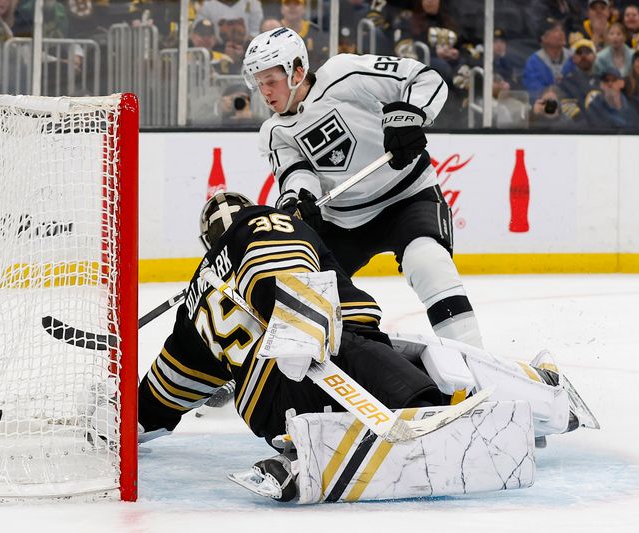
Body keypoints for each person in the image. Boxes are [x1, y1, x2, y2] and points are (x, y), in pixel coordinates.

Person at [241, 27, 485, 349]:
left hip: (407, 195)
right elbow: (296, 174)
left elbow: (425, 78)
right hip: (343, 221)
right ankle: (266, 370)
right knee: (300, 290)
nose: (266, 93)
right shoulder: (273, 132)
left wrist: (411, 117)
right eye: (259, 84)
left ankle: (473, 358)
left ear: (297, 71)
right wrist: (298, 200)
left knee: (427, 261)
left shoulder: (344, 74)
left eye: (271, 81)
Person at [136, 192, 442, 446]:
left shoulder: (192, 307)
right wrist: (300, 332)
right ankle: (428, 410)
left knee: (270, 395)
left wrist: (138, 419)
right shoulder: (260, 223)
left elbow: (167, 387)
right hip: (331, 360)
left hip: (273, 409)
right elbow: (274, 265)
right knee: (358, 343)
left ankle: (305, 453)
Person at [523, 17, 572, 101]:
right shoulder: (533, 62)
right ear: (543, 38)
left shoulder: (573, 57)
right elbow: (534, 90)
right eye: (555, 30)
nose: (561, 33)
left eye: (562, 30)